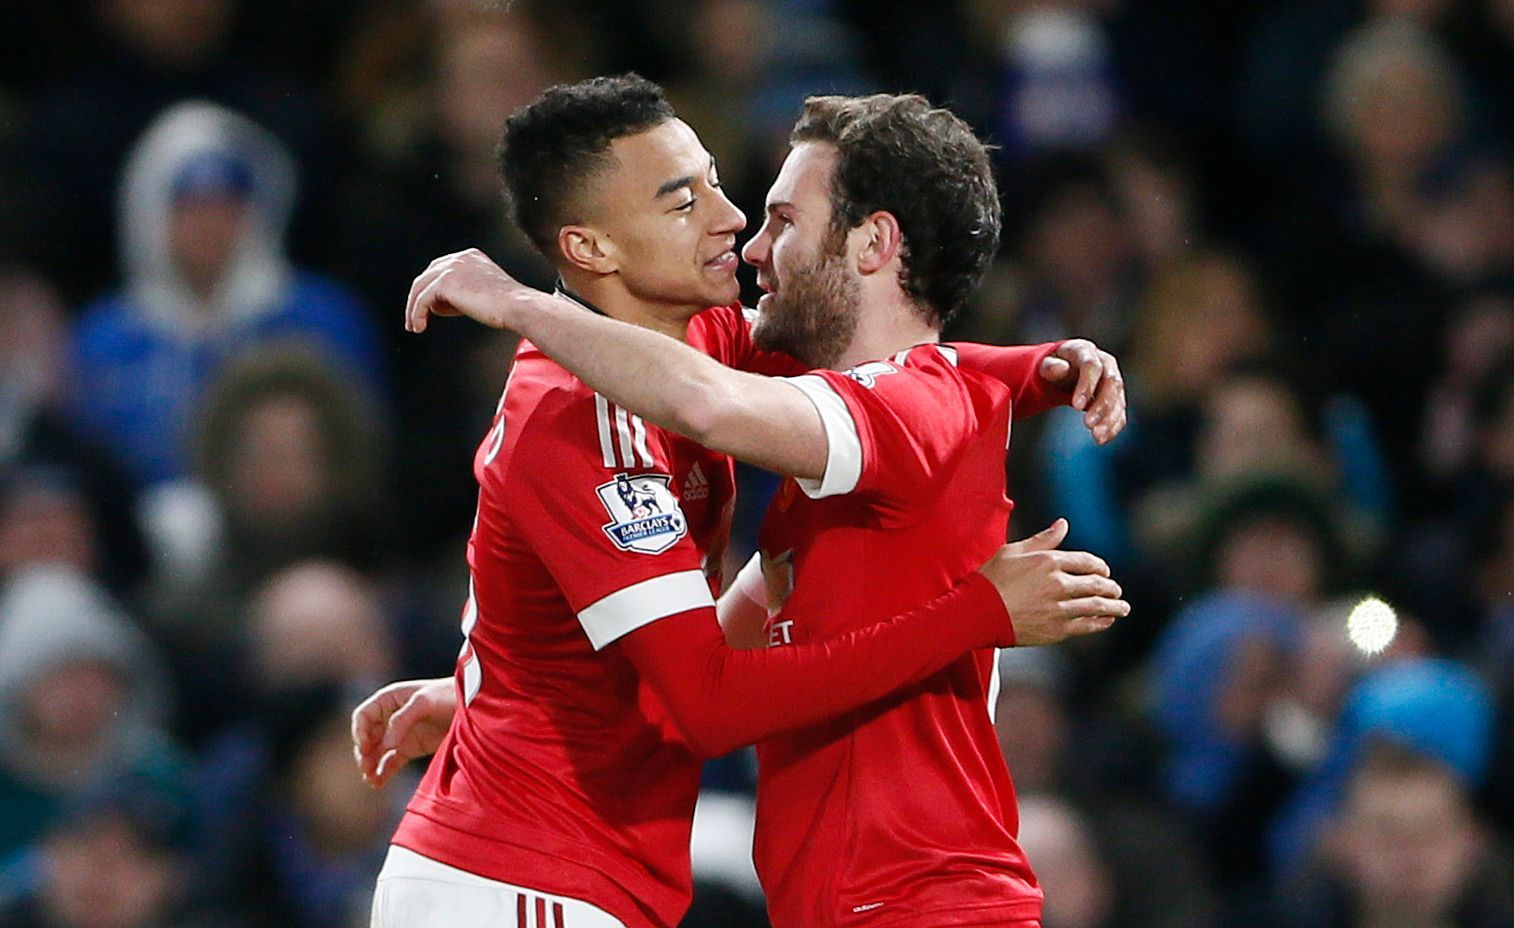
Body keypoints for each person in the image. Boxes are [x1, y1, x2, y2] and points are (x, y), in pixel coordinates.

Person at [396, 80, 1127, 927]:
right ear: (592, 246)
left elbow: (726, 406)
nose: (741, 230)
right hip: (549, 878)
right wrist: (500, 692)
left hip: (919, 902)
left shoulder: (858, 404)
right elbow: (722, 655)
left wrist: (515, 301)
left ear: (873, 242)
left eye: (781, 218)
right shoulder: (645, 400)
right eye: (686, 199)